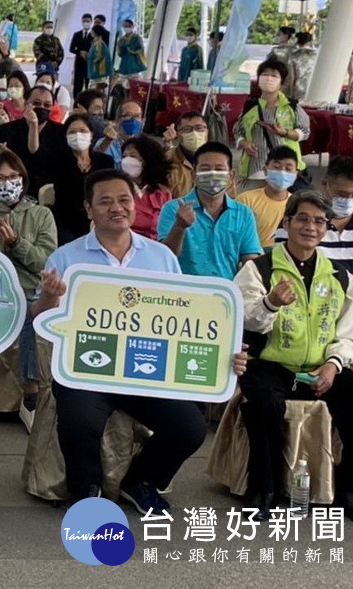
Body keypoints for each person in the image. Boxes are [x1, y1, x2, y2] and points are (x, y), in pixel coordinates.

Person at [33, 169, 244, 511]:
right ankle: (86, 490)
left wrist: (226, 352)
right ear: (89, 209)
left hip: (147, 371)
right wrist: (48, 298)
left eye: (124, 200)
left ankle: (141, 481)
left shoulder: (160, 257)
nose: (116, 208)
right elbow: (39, 319)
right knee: (79, 422)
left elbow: (186, 318)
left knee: (189, 427)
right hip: (88, 369)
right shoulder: (66, 258)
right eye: (105, 201)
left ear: (136, 204)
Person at [235, 191, 353, 520]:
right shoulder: (259, 269)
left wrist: (333, 366)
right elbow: (240, 318)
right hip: (271, 365)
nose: (310, 227)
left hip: (321, 367)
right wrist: (270, 303)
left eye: (319, 221)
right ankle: (263, 488)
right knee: (263, 405)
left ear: (327, 228)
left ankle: (349, 488)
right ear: (287, 222)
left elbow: (348, 332)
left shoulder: (339, 276)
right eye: (302, 219)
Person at [0, 151, 57, 426]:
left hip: (30, 291)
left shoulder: (41, 214)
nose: (7, 183)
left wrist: (16, 242)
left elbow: (44, 262)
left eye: (13, 176)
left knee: (32, 308)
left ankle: (31, 389)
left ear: (23, 178)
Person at [158, 142, 263, 280]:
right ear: (194, 174)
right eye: (205, 169)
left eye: (219, 169)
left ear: (231, 176)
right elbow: (165, 257)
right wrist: (179, 226)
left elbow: (250, 260)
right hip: (182, 293)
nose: (212, 174)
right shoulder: (172, 208)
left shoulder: (243, 214)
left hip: (225, 293)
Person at [274, 157, 353, 288]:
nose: (348, 200)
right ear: (324, 184)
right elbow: (285, 269)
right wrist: (345, 280)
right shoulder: (300, 222)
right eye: (341, 194)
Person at [234, 59, 309, 186]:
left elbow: (304, 132)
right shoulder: (250, 106)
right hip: (256, 167)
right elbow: (238, 130)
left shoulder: (292, 107)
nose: (268, 78)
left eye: (274, 75)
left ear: (282, 82)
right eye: (265, 74)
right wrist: (243, 143)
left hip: (283, 169)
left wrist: (284, 132)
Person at [45, 114, 114, 245]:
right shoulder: (57, 160)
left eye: (83, 131)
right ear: (66, 136)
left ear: (91, 134)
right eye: (72, 132)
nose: (78, 135)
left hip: (100, 219)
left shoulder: (105, 161)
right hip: (66, 222)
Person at [0, 85, 67, 194]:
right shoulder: (7, 130)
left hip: (51, 192)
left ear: (52, 107)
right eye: (36, 103)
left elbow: (58, 165)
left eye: (47, 105)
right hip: (16, 191)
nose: (41, 107)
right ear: (26, 102)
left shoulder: (61, 132)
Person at [236, 145, 300, 248]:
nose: (282, 172)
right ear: (265, 170)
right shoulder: (245, 200)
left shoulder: (298, 204)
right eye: (277, 167)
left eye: (288, 169)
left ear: (296, 174)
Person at [119, 135, 172, 241]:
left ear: (147, 160)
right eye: (124, 156)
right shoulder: (117, 190)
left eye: (133, 156)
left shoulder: (162, 193)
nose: (127, 160)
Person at [167, 111, 208, 198]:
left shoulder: (219, 160)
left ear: (207, 132)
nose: (194, 133)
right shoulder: (168, 161)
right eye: (187, 129)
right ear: (178, 135)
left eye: (199, 128)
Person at [93, 100, 143, 167]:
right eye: (128, 115)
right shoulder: (107, 143)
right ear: (118, 120)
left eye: (137, 116)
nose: (133, 120)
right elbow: (96, 161)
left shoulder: (145, 145)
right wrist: (107, 142)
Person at [68, 13, 94, 97]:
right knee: (77, 84)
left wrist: (88, 53)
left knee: (89, 84)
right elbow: (71, 48)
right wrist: (80, 52)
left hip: (89, 64)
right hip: (79, 63)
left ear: (91, 22)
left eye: (87, 21)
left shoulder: (93, 35)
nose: (86, 23)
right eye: (84, 21)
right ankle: (76, 100)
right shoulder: (77, 34)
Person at [286, 31, 317, 103]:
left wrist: (291, 92)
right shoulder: (316, 55)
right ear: (311, 42)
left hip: (299, 88)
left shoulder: (293, 56)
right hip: (314, 87)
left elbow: (292, 77)